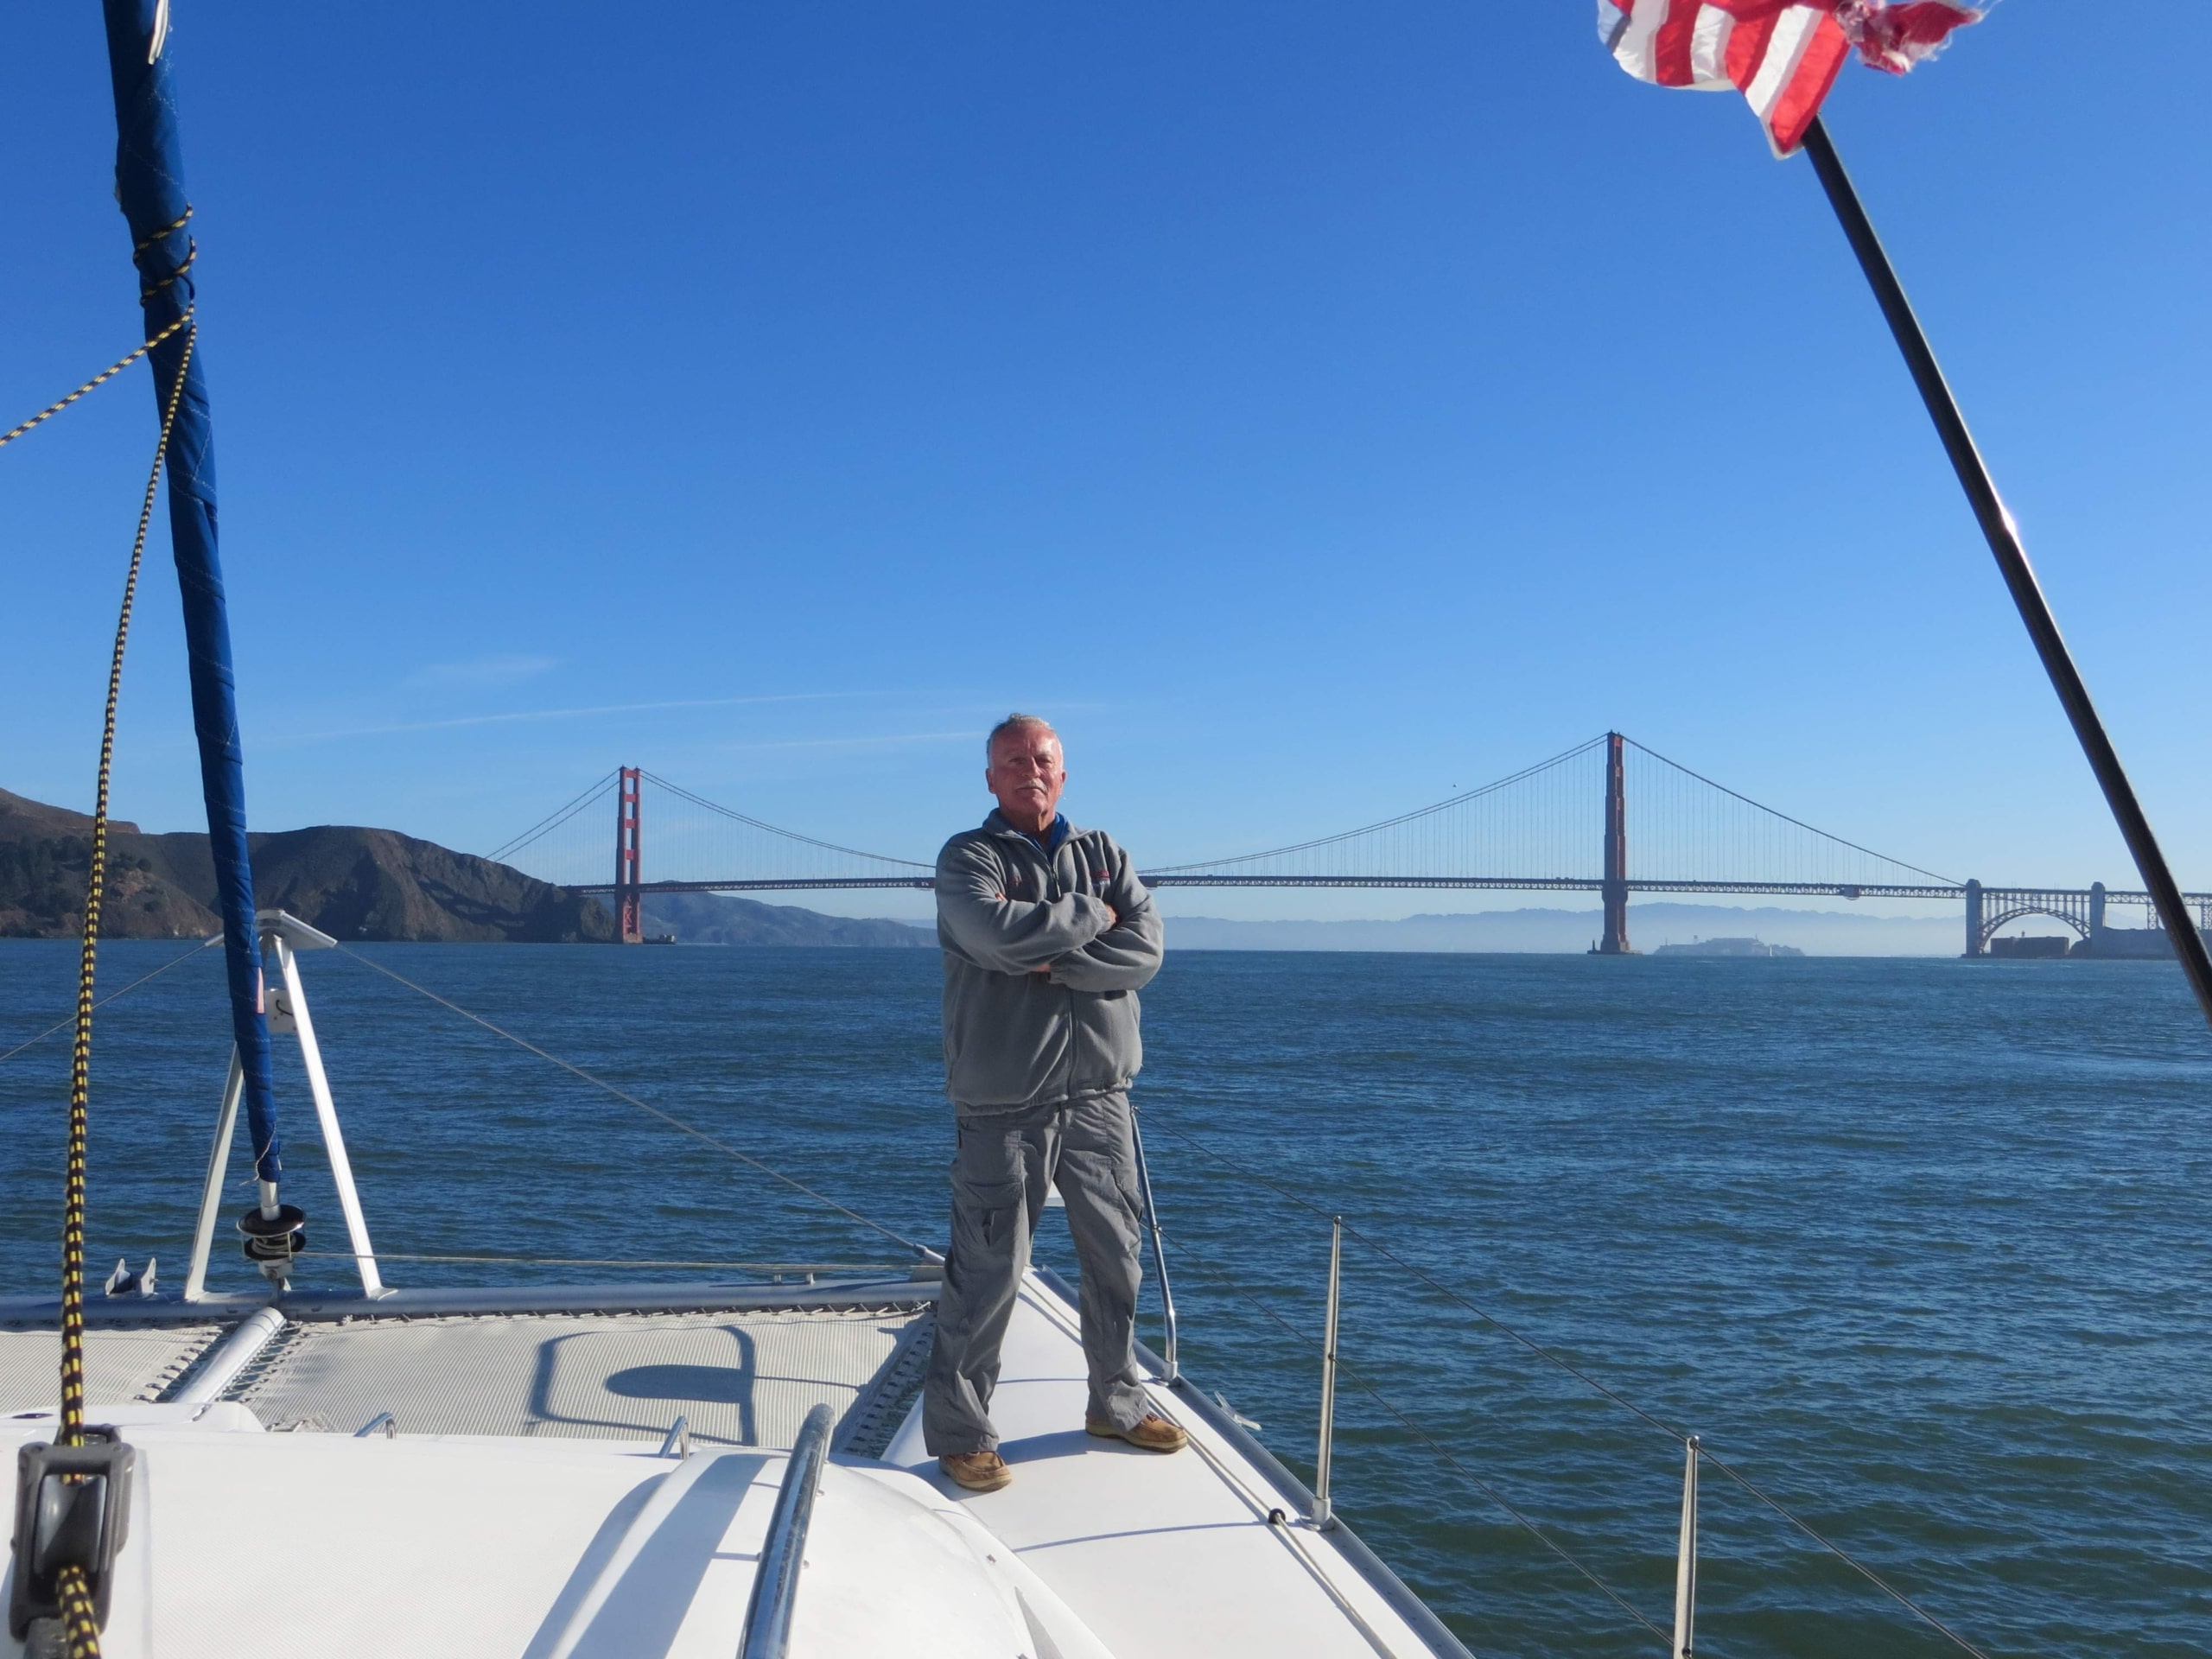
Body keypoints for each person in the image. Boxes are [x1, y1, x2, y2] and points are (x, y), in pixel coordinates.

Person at [924, 713, 1182, 1493]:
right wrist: (1092, 918)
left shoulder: (1105, 852)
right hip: (1005, 1105)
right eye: (1012, 760)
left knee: (1118, 1263)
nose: (1029, 770)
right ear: (991, 778)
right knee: (990, 1270)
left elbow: (1147, 951)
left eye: (1042, 759)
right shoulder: (966, 858)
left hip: (1103, 1097)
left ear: (1062, 774)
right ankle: (964, 1432)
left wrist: (1057, 963)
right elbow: (993, 935)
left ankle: (1116, 1400)